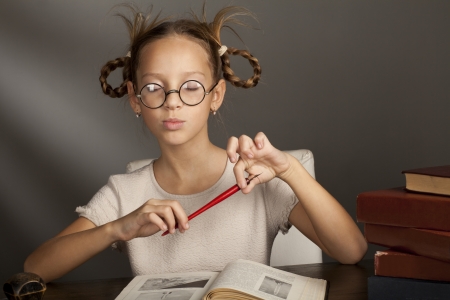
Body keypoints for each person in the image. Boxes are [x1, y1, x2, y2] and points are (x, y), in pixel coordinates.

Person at [24, 4, 367, 283]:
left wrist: (289, 170)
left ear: (215, 95)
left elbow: (352, 251)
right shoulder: (124, 193)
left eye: (190, 86)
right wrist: (118, 227)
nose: (172, 102)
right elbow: (35, 269)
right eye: (155, 87)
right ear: (135, 98)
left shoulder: (256, 181)